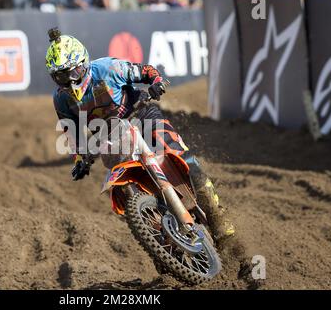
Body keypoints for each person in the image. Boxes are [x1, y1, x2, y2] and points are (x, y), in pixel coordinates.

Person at [45, 28, 234, 240]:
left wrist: (156, 82)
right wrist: (80, 159)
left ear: (83, 63)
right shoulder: (61, 98)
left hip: (141, 114)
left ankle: (218, 216)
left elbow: (145, 71)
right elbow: (72, 131)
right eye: (61, 76)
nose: (69, 81)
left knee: (182, 156)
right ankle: (157, 236)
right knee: (120, 186)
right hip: (110, 136)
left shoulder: (108, 68)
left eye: (72, 73)